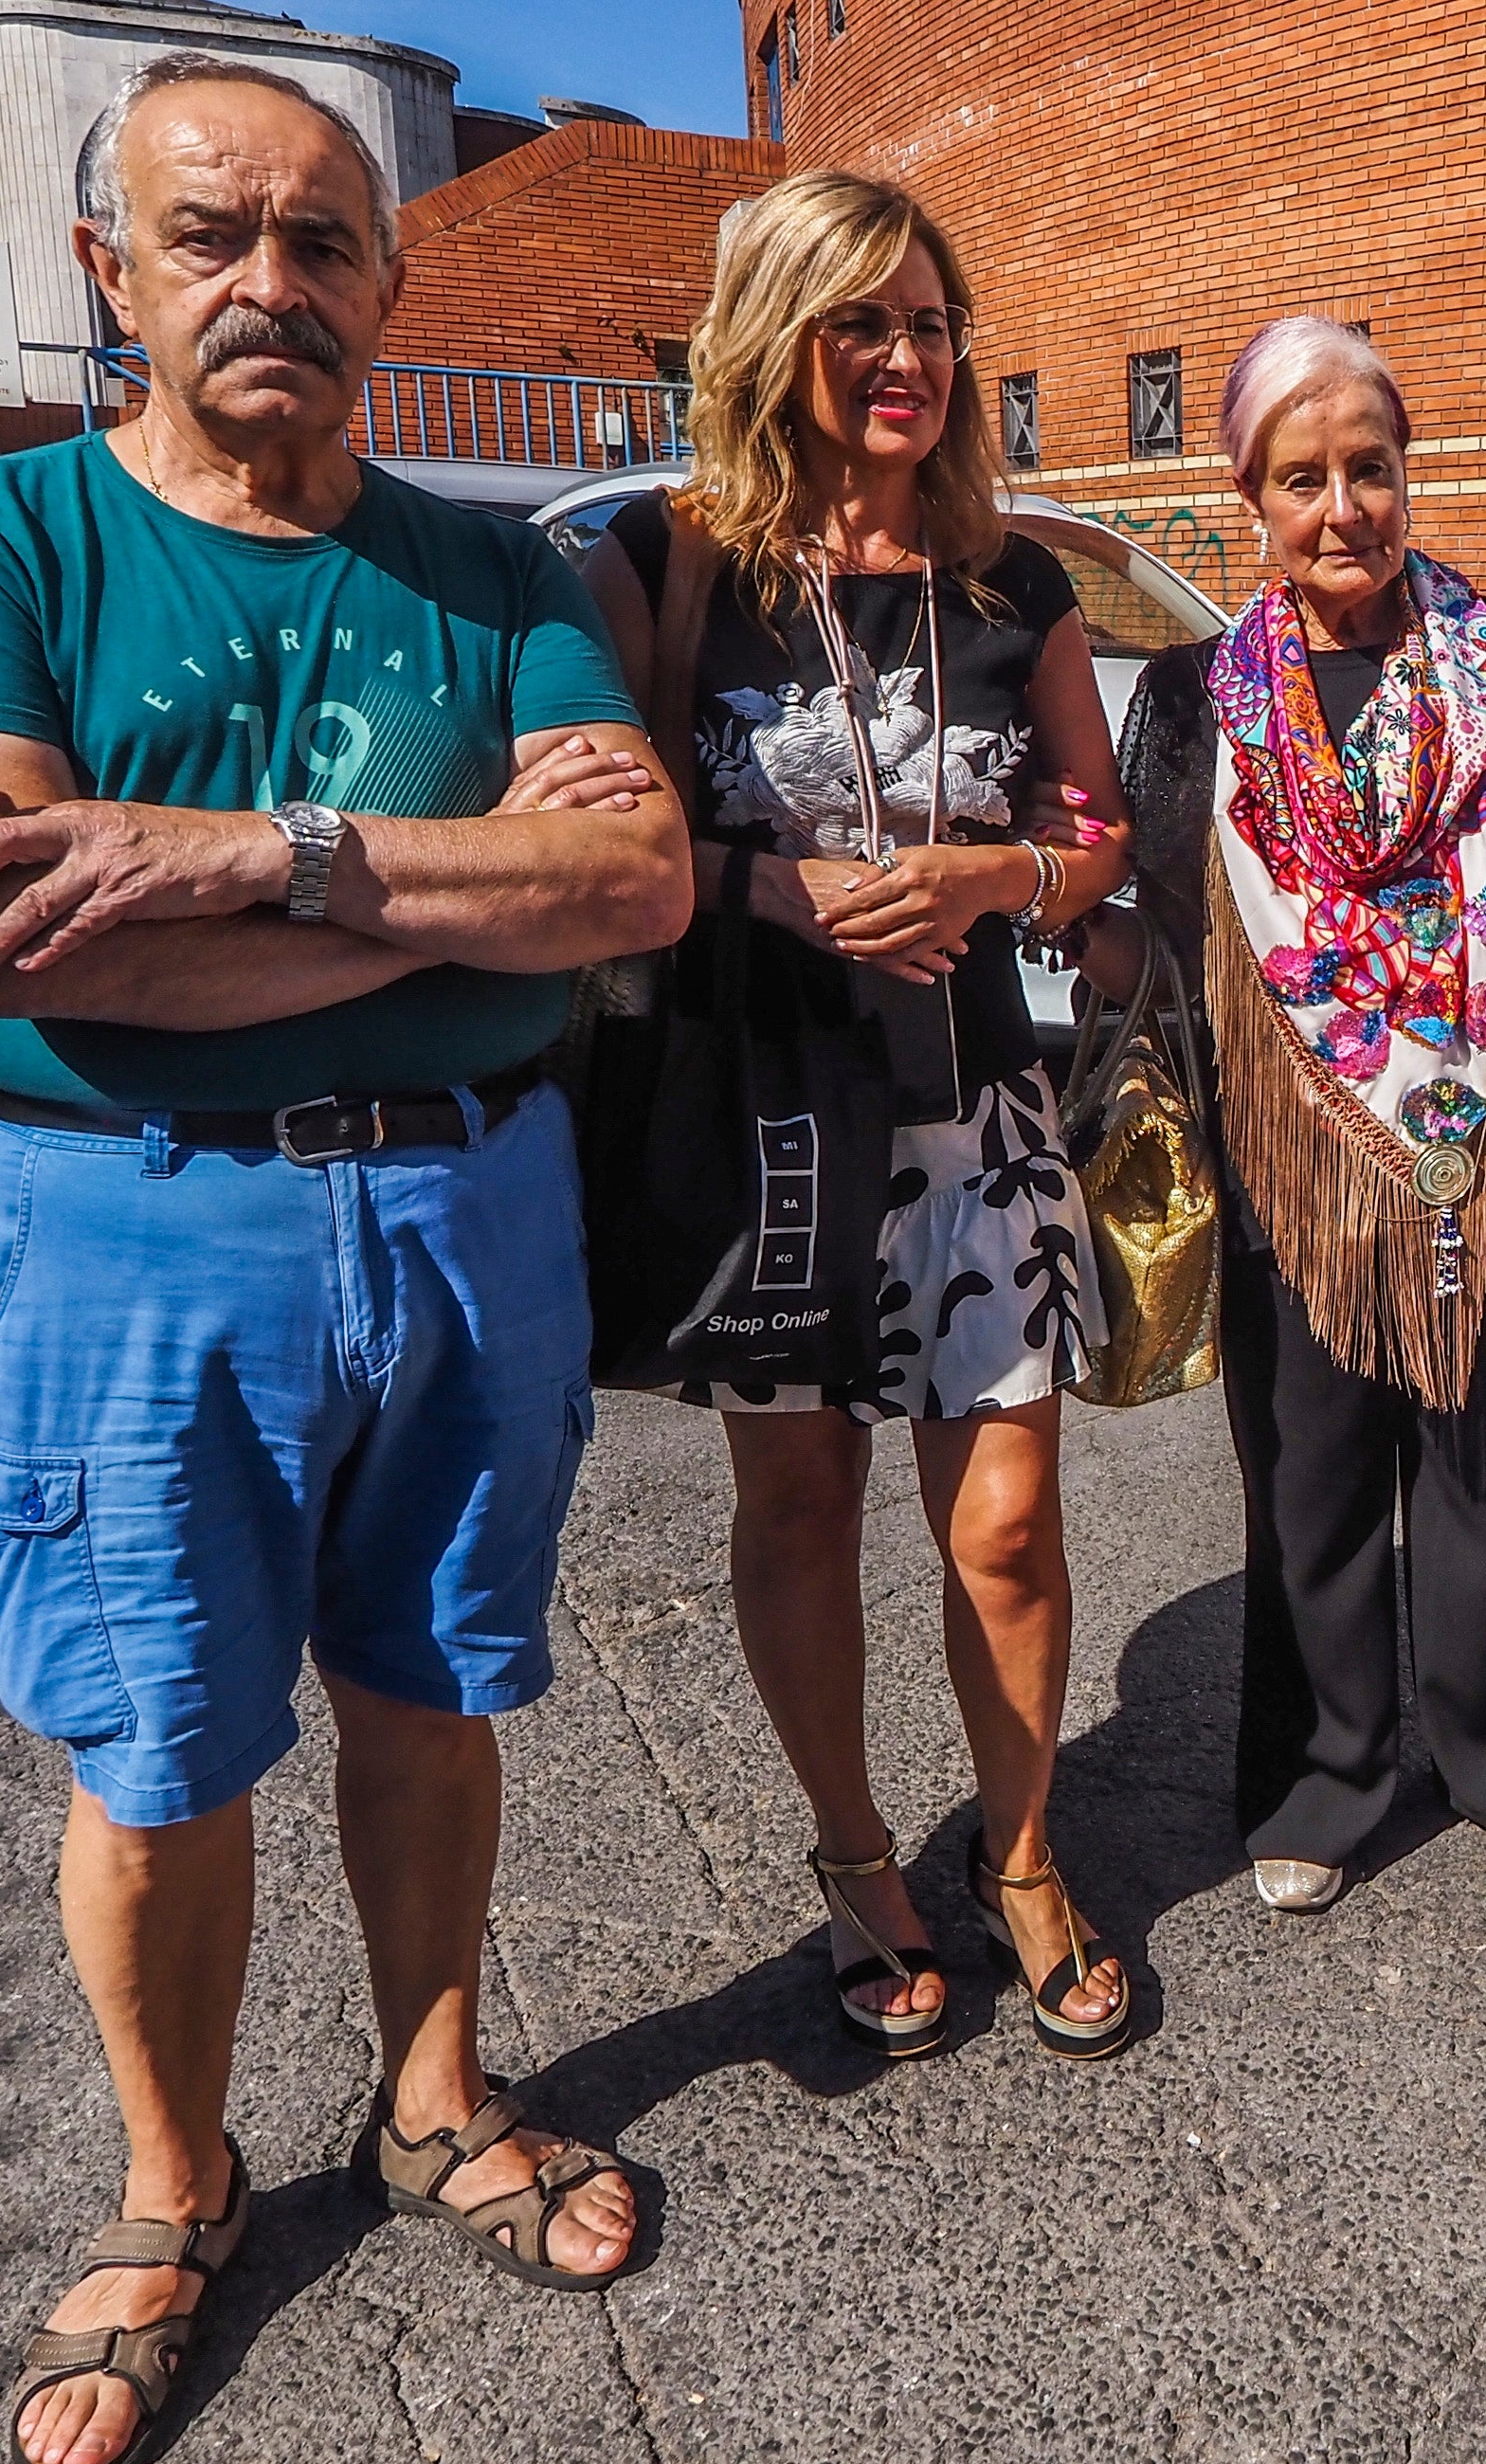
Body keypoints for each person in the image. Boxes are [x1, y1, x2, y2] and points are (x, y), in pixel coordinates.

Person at [0, 50, 686, 2464]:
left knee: (433, 1693)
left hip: (463, 1215)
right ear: (106, 273)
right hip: (132, 1234)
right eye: (209, 237)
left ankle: (429, 2106)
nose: (269, 284)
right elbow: (21, 947)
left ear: (391, 285)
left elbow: (629, 894)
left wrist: (231, 864)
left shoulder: (499, 572)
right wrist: (445, 908)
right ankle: (172, 2185)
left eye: (322, 242)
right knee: (158, 1745)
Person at [558, 171, 1141, 2061]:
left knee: (1010, 1523)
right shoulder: (672, 565)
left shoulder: (1011, 579)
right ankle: (854, 1856)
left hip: (974, 1111)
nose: (903, 358)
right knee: (797, 1500)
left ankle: (1028, 1851)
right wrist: (776, 893)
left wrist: (993, 881)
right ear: (778, 335)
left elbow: (1094, 831)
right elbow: (605, 844)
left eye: (930, 322)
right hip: (764, 1119)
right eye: (859, 320)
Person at [1115, 317, 1486, 1913]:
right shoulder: (1191, 702)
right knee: (1306, 1474)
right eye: (1303, 477)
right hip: (1290, 1152)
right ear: (1249, 492)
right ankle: (1322, 1770)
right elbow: (1158, 929)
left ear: (1406, 470)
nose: (1344, 504)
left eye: (1371, 466)